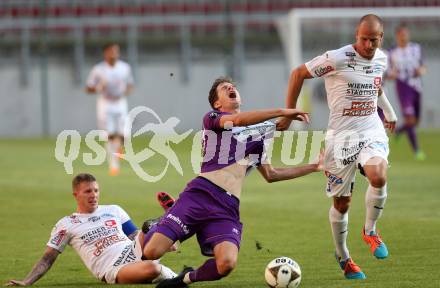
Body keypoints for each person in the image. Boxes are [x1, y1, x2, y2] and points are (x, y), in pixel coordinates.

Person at [142, 76, 324, 288]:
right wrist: (284, 111)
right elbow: (239, 121)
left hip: (227, 207)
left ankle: (185, 278)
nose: (231, 87)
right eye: (224, 88)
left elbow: (271, 175)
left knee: (226, 264)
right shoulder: (213, 118)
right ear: (217, 103)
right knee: (151, 252)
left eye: (233, 86)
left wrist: (313, 167)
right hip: (201, 194)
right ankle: (162, 222)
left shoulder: (258, 135)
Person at [277, 15, 398, 279]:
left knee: (379, 175)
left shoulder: (382, 59)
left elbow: (377, 87)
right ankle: (343, 256)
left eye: (373, 40)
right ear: (357, 35)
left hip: (370, 130)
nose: (368, 45)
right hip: (341, 139)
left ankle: (370, 231)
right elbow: (298, 73)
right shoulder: (337, 58)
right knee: (342, 204)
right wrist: (288, 113)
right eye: (364, 39)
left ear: (381, 38)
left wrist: (388, 112)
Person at [5, 173, 176, 286]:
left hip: (131, 249)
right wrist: (27, 281)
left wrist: (157, 241)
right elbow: (47, 259)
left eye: (96, 190)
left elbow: (134, 235)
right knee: (153, 270)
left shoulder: (114, 210)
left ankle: (171, 221)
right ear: (76, 195)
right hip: (113, 267)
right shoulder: (66, 224)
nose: (93, 195)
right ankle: (177, 269)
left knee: (147, 228)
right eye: (87, 191)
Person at [86, 43, 134, 175]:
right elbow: (88, 87)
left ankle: (119, 149)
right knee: (109, 134)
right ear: (105, 53)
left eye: (116, 51)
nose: (114, 54)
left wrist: (126, 91)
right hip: (105, 103)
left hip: (120, 102)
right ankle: (113, 164)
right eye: (111, 51)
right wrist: (98, 87)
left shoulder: (125, 67)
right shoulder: (98, 69)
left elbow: (130, 84)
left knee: (124, 135)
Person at [386, 24, 427, 160]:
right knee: (410, 119)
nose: (403, 37)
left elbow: (423, 66)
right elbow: (389, 72)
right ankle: (417, 151)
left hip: (416, 86)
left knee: (415, 122)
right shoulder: (391, 51)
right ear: (397, 36)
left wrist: (421, 70)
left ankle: (398, 131)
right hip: (402, 86)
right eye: (401, 34)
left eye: (405, 34)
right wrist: (391, 75)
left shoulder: (416, 48)